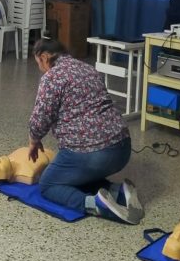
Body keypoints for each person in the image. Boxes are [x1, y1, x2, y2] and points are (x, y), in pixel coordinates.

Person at [28, 38, 144, 224]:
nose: (41, 69)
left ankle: (94, 204)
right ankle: (118, 192)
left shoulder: (52, 76)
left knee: (48, 183)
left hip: (92, 153)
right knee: (75, 174)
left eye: (39, 64)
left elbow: (41, 117)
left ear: (44, 57)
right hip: (122, 148)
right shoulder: (88, 68)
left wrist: (33, 140)